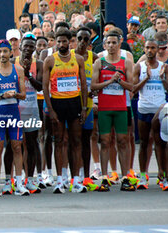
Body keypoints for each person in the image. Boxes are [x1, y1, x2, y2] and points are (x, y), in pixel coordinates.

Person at [42, 28, 88, 193]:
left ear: (70, 41)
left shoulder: (78, 59)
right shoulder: (50, 60)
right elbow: (45, 87)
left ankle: (75, 180)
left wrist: (84, 108)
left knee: (76, 141)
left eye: (64, 41)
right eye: (58, 41)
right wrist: (50, 109)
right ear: (55, 41)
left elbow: (83, 84)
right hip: (58, 103)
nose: (61, 44)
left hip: (74, 103)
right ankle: (60, 180)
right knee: (59, 141)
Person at [0, 39, 28, 196]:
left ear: (11, 52)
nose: (2, 54)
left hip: (14, 113)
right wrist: (2, 95)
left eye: (5, 51)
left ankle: (19, 184)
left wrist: (14, 94)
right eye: (0, 51)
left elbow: (23, 95)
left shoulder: (18, 70)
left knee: (16, 146)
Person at [90, 30, 135, 191]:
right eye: (108, 43)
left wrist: (120, 80)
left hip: (121, 108)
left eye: (114, 43)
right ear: (104, 45)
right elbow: (93, 86)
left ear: (119, 44)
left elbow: (132, 87)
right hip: (104, 109)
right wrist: (109, 81)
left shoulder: (126, 62)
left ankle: (125, 177)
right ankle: (103, 178)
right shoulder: (99, 62)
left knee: (123, 141)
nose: (111, 45)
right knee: (105, 142)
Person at [132, 39, 168, 190]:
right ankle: (143, 176)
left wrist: (161, 78)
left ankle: (164, 175)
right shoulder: (139, 66)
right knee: (143, 142)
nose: (150, 50)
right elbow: (134, 89)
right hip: (144, 108)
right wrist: (146, 78)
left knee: (161, 143)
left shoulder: (164, 67)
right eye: (147, 47)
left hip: (160, 109)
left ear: (157, 50)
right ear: (144, 49)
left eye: (153, 48)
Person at [15, 34, 43, 193]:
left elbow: (40, 87)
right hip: (15, 109)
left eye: (31, 47)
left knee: (32, 145)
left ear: (34, 49)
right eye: (25, 46)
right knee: (16, 146)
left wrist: (28, 75)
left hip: (32, 110)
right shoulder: (13, 63)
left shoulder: (38, 64)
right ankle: (15, 179)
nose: (28, 49)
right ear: (20, 47)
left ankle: (30, 179)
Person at [74, 27, 99, 191]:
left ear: (90, 42)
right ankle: (73, 175)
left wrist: (96, 90)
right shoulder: (69, 56)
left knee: (86, 140)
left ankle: (86, 176)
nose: (83, 42)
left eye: (86, 39)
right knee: (72, 140)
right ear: (75, 39)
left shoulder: (94, 57)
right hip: (72, 103)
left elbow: (99, 77)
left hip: (88, 103)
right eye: (80, 38)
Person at [151, 102, 168, 190]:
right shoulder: (156, 120)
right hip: (163, 119)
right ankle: (167, 176)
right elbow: (158, 144)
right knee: (166, 144)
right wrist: (160, 169)